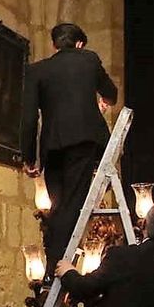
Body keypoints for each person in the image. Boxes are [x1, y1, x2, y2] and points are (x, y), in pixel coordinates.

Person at [20, 22, 118, 266]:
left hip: (53, 145)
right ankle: (61, 264)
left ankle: (55, 260)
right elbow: (111, 92)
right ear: (80, 43)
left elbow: (29, 118)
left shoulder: (36, 70)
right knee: (73, 203)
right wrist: (105, 100)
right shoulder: (89, 59)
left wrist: (29, 158)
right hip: (85, 141)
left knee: (58, 202)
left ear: (54, 45)